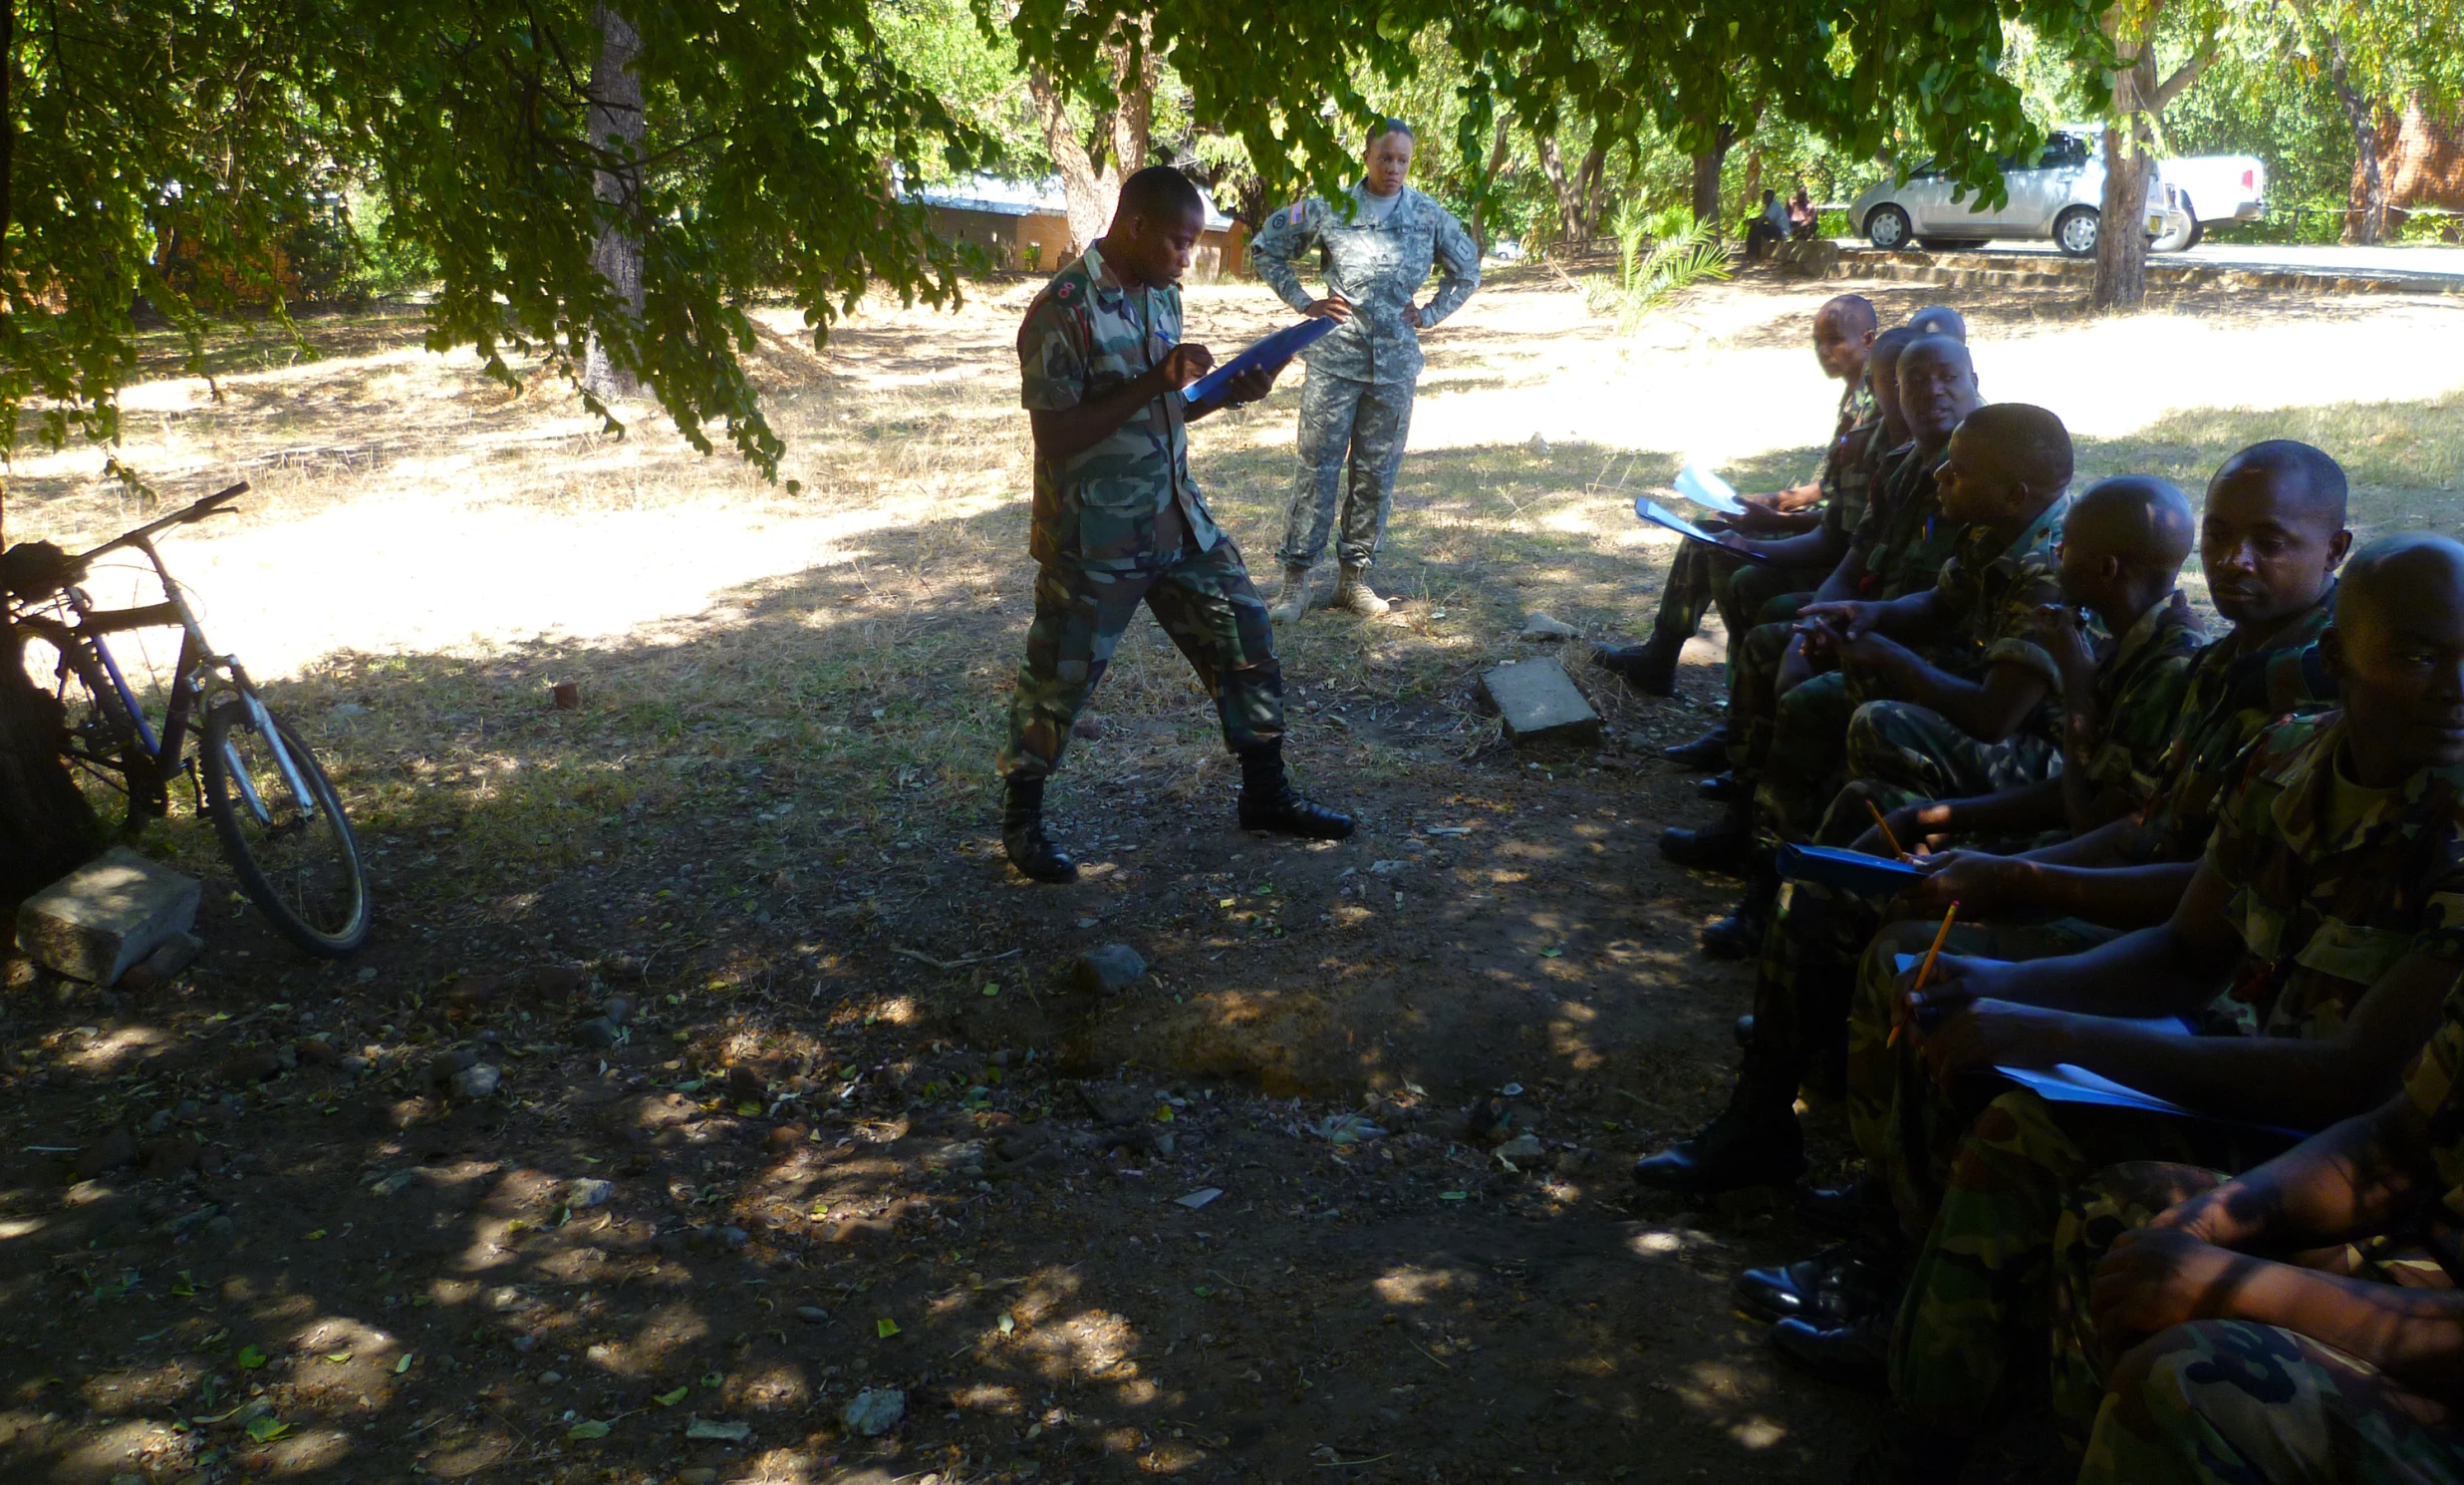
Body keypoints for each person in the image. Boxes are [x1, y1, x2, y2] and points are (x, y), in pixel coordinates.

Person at [1810, 532, 2464, 1483]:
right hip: (2273, 1096)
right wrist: (2005, 990)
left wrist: (2064, 1030)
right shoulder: (2284, 757)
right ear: (2336, 658)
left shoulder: (2453, 832)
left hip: (2306, 1113)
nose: (2455, 686)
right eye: (2417, 653)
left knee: (2033, 1140)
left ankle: (1952, 1418)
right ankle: (1932, 1371)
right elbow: (2182, 952)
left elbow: (2355, 1082)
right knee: (1966, 1029)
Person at [1633, 402, 2077, 1195]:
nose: (1942, 474)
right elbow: (1934, 606)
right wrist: (1861, 615)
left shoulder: (2051, 566)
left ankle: (1788, 1053)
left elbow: (1992, 715)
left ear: (2013, 492)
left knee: (1874, 722)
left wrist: (1879, 658)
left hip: (2035, 764)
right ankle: (1778, 1051)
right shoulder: (1992, 529)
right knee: (1849, 808)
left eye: (1959, 471)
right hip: (2003, 734)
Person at [997, 165, 1355, 884]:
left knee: (1245, 635)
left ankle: (1264, 794)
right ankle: (1022, 823)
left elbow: (1163, 407)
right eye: (1178, 241)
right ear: (1133, 226)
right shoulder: (1061, 308)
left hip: (1176, 519)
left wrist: (1227, 394)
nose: (1186, 258)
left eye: (1192, 243)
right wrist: (1153, 381)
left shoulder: (1159, 294)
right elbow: (1057, 437)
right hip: (1095, 535)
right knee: (1059, 679)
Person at [1249, 120, 1481, 623]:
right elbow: (1266, 248)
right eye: (1384, 158)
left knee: (1376, 476)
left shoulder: (1428, 215)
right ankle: (1295, 583)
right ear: (1367, 156)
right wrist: (1305, 303)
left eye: (1402, 160)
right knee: (1317, 470)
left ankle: (1352, 580)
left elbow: (1468, 271)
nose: (1393, 168)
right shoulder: (1330, 207)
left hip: (1395, 370)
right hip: (1335, 362)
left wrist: (1429, 313)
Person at [1595, 295, 1879, 696]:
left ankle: (1742, 695)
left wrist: (1776, 522)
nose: (1823, 351)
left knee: (1722, 555)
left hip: (1843, 558)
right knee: (1703, 534)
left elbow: (1852, 523)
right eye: (1817, 341)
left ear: (1868, 340)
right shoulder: (1857, 395)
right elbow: (1833, 489)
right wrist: (1775, 499)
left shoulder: (1878, 404)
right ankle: (1660, 655)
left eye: (1834, 340)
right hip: (1830, 536)